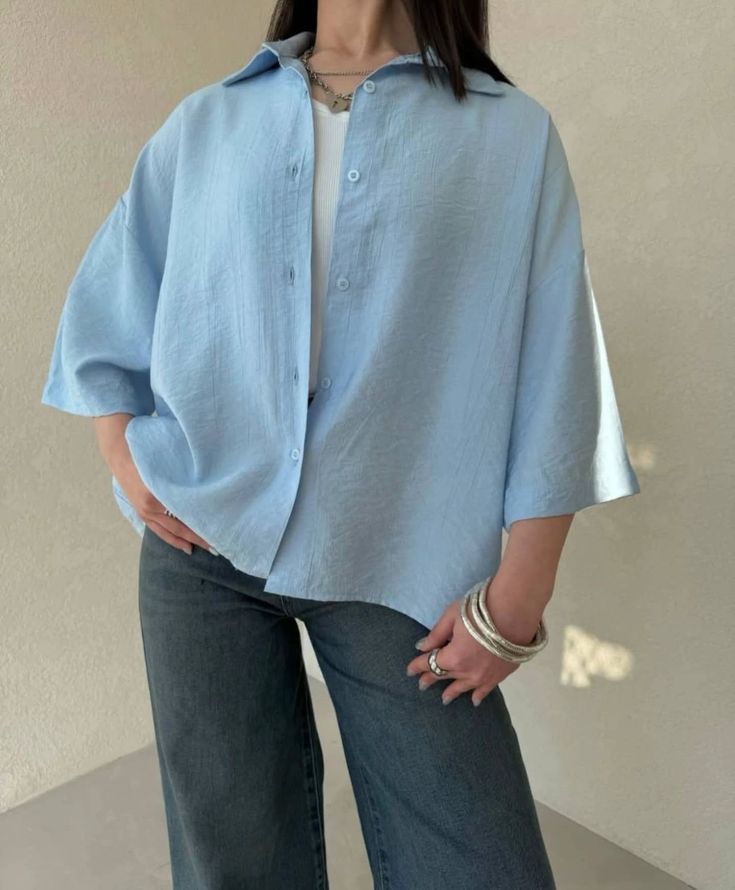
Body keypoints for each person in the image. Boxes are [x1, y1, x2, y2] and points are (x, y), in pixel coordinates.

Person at [40, 2, 641, 887]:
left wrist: (521, 594)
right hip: (201, 547)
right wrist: (124, 462)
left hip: (399, 551)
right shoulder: (208, 120)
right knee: (231, 861)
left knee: (476, 861)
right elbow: (111, 303)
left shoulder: (508, 133)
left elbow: (558, 367)